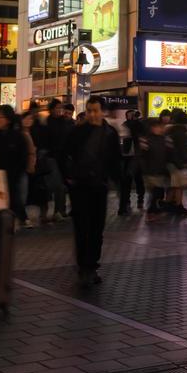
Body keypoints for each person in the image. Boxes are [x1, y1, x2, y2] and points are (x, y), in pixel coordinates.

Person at [61, 96, 121, 287]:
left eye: (95, 110)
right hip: (80, 186)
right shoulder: (78, 132)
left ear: (102, 111)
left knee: (97, 228)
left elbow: (114, 160)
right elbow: (62, 154)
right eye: (89, 111)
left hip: (99, 187)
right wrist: (68, 178)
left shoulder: (110, 133)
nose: (92, 114)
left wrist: (117, 182)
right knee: (82, 228)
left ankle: (92, 266)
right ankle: (83, 267)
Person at [0, 105, 35, 228]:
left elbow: (23, 155)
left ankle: (17, 221)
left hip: (13, 174)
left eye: (0, 117)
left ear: (8, 119)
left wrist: (21, 169)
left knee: (14, 197)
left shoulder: (17, 136)